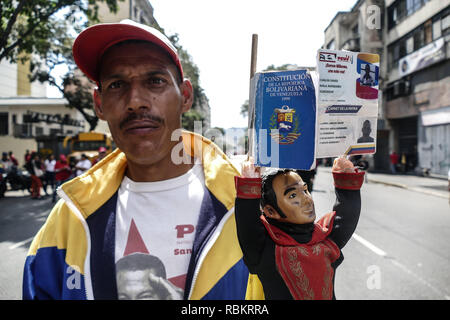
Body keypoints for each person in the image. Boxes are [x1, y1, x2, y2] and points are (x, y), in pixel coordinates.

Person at [23, 19, 263, 300]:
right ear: (99, 104)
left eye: (155, 81)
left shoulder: (248, 203)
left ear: (185, 96)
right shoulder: (67, 219)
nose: (135, 100)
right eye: (117, 84)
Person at [234, 156, 364, 299]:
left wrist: (345, 175)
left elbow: (346, 216)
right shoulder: (265, 248)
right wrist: (250, 181)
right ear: (271, 211)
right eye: (293, 195)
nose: (307, 199)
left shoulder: (325, 238)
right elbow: (248, 223)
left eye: (305, 190)